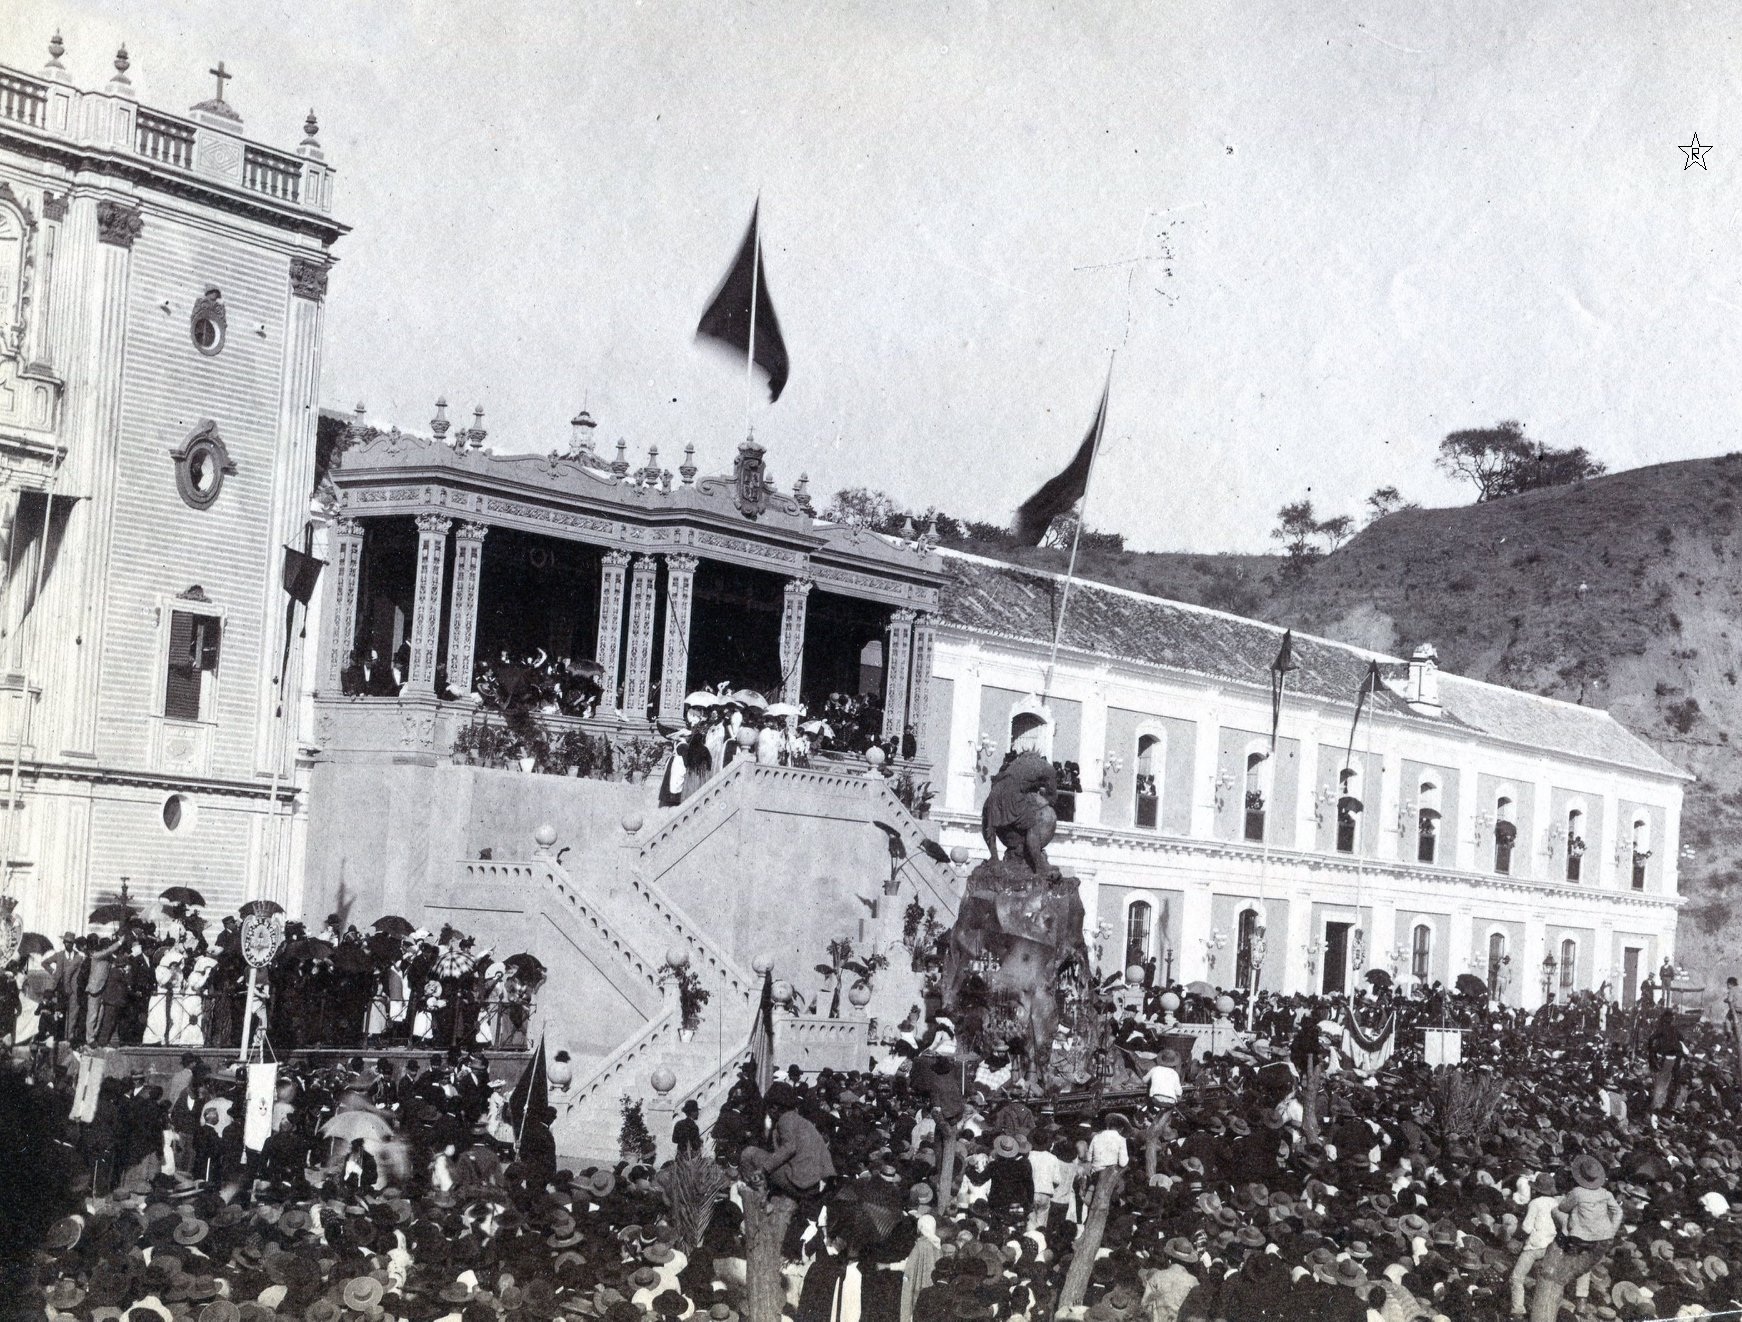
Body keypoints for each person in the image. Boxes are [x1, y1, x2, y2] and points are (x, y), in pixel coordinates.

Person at [1528, 1154, 1620, 1322]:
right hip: (1601, 1239)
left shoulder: (1577, 1192)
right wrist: (1612, 1229)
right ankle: (1581, 1299)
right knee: (1580, 1264)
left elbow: (1562, 1208)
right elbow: (1618, 1211)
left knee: (1557, 1270)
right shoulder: (1605, 1194)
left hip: (1578, 1237)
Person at [1510, 1171, 1559, 1317]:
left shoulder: (1535, 1203)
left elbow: (1526, 1227)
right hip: (1551, 1246)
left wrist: (1516, 1238)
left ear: (1536, 1189)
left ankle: (1518, 1310)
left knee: (1516, 1277)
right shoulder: (1556, 1203)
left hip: (1534, 1247)